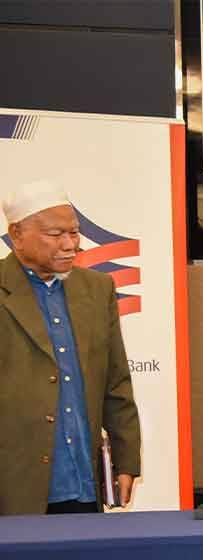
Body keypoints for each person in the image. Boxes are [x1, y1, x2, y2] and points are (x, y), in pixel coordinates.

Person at [0, 180, 140, 515]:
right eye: (55, 234)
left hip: (83, 483)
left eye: (74, 233)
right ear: (16, 234)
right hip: (15, 486)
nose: (70, 245)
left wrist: (126, 460)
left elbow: (117, 382)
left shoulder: (97, 288)